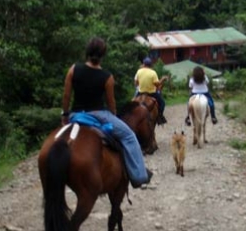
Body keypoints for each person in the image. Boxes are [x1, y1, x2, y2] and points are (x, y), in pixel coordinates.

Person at [61, 37, 152, 188]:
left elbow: (66, 96)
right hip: (99, 115)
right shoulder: (107, 77)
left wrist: (65, 115)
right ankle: (139, 176)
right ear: (103, 55)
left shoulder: (73, 69)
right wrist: (114, 117)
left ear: (87, 52)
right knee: (129, 136)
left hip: (76, 114)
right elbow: (111, 104)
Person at [134, 57, 168, 125]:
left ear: (144, 64)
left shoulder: (139, 71)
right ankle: (160, 117)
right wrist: (163, 79)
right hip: (151, 93)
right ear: (151, 65)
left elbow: (136, 83)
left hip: (140, 93)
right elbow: (157, 84)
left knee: (132, 103)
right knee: (162, 103)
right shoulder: (153, 73)